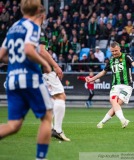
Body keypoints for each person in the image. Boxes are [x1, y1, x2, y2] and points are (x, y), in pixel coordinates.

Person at [0, 1, 53, 160]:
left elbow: (1, 56)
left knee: (13, 125)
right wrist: (45, 64)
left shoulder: (13, 27)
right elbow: (29, 49)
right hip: (30, 79)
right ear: (38, 10)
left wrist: (17, 61)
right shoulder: (33, 26)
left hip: (12, 80)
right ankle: (40, 158)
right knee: (47, 116)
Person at [86, 41, 134, 128]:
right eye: (112, 51)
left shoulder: (126, 56)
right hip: (115, 86)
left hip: (127, 86)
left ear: (119, 49)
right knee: (114, 102)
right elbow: (103, 72)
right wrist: (92, 79)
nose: (114, 53)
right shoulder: (111, 60)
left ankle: (102, 122)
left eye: (116, 50)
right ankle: (123, 120)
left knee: (117, 104)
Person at [35, 6, 70, 142]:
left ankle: (49, 127)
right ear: (42, 16)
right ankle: (57, 130)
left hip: (31, 70)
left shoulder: (23, 29)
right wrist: (56, 66)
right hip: (44, 69)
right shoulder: (38, 30)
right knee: (60, 96)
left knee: (50, 99)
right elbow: (42, 51)